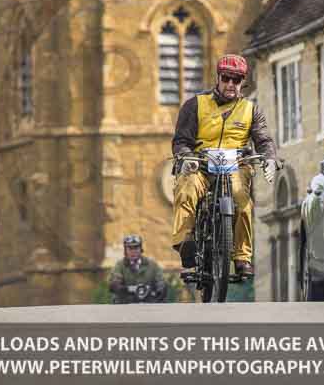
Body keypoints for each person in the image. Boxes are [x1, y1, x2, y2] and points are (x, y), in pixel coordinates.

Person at [172, 54, 278, 278]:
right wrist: (187, 157)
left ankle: (242, 258)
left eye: (236, 80)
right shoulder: (195, 105)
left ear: (243, 82)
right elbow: (181, 140)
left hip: (236, 165)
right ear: (218, 78)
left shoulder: (251, 110)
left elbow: (264, 140)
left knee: (242, 200)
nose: (231, 84)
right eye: (226, 78)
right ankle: (185, 243)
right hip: (200, 164)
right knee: (186, 189)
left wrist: (269, 158)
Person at [109, 235, 167, 304]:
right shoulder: (120, 266)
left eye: (136, 248)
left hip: (149, 304)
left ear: (141, 249)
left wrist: (159, 290)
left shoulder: (152, 265)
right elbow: (114, 283)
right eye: (130, 248)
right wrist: (126, 289)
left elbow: (161, 282)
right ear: (125, 250)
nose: (133, 251)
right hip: (125, 304)